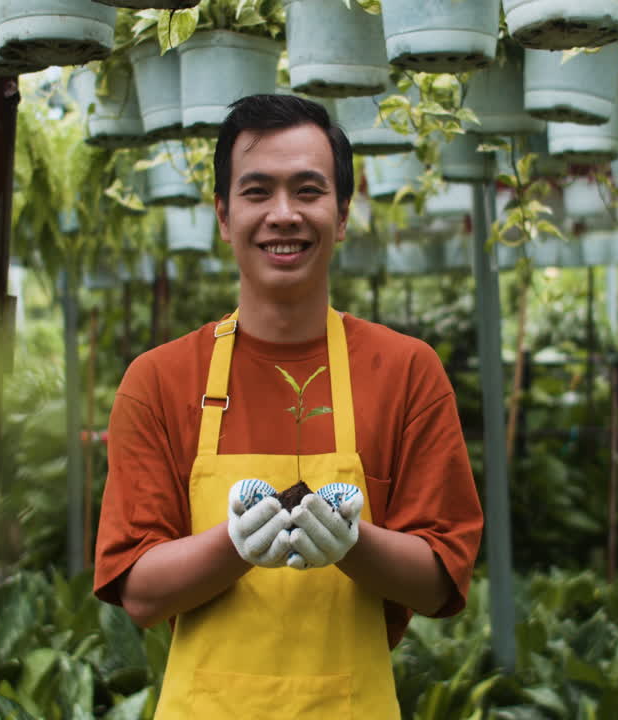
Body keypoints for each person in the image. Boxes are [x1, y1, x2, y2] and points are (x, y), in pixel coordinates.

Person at [93, 93, 484, 719]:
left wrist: (351, 544)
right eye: (256, 193)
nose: (284, 215)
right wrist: (234, 545)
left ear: (344, 212)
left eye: (308, 191)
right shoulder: (160, 380)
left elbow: (442, 580)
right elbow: (138, 590)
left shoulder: (406, 371)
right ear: (222, 215)